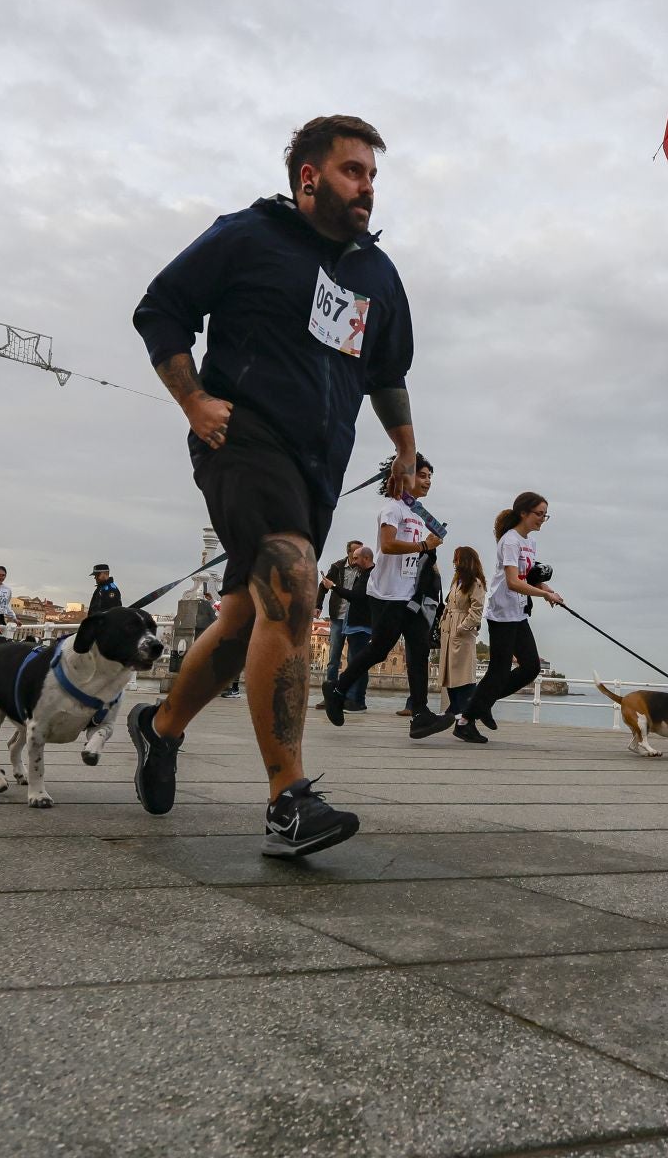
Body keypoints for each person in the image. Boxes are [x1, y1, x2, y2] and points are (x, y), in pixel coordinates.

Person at [127, 113, 417, 857]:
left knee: (239, 623)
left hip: (320, 465)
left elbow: (386, 374)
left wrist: (406, 447)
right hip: (241, 439)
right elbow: (160, 308)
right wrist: (191, 399)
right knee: (291, 580)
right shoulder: (249, 236)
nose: (368, 188)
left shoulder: (376, 275)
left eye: (375, 176)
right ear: (310, 177)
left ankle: (159, 731)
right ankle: (287, 798)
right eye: (354, 171)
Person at [326, 455, 444, 732]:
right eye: (423, 475)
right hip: (386, 593)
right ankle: (338, 689)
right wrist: (424, 547)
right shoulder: (392, 509)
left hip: (406, 593)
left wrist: (432, 536)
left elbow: (436, 532)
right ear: (405, 478)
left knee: (419, 649)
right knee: (379, 650)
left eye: (430, 477)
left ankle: (420, 714)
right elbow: (388, 545)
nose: (428, 481)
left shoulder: (414, 511)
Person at [461, 493, 562, 742]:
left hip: (518, 612)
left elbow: (526, 575)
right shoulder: (510, 541)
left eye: (545, 514)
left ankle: (481, 704)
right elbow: (512, 582)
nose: (542, 519)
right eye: (539, 514)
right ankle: (466, 720)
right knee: (498, 669)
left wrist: (547, 589)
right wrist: (543, 595)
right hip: (502, 612)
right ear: (523, 513)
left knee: (531, 667)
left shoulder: (530, 542)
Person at [428, 545, 487, 741]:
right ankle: (457, 715)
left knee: (464, 677)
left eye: (458, 559)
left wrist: (462, 628)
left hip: (461, 634)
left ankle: (465, 719)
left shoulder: (475, 583)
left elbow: (477, 611)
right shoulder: (457, 582)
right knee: (450, 676)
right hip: (448, 632)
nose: (454, 563)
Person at [316, 547, 375, 712]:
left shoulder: (370, 574)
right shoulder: (339, 567)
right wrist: (318, 604)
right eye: (353, 557)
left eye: (357, 558)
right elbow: (323, 587)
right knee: (338, 660)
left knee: (356, 662)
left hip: (360, 625)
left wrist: (333, 586)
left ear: (365, 558)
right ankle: (338, 696)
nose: (354, 561)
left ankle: (354, 700)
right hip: (346, 621)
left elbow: (356, 596)